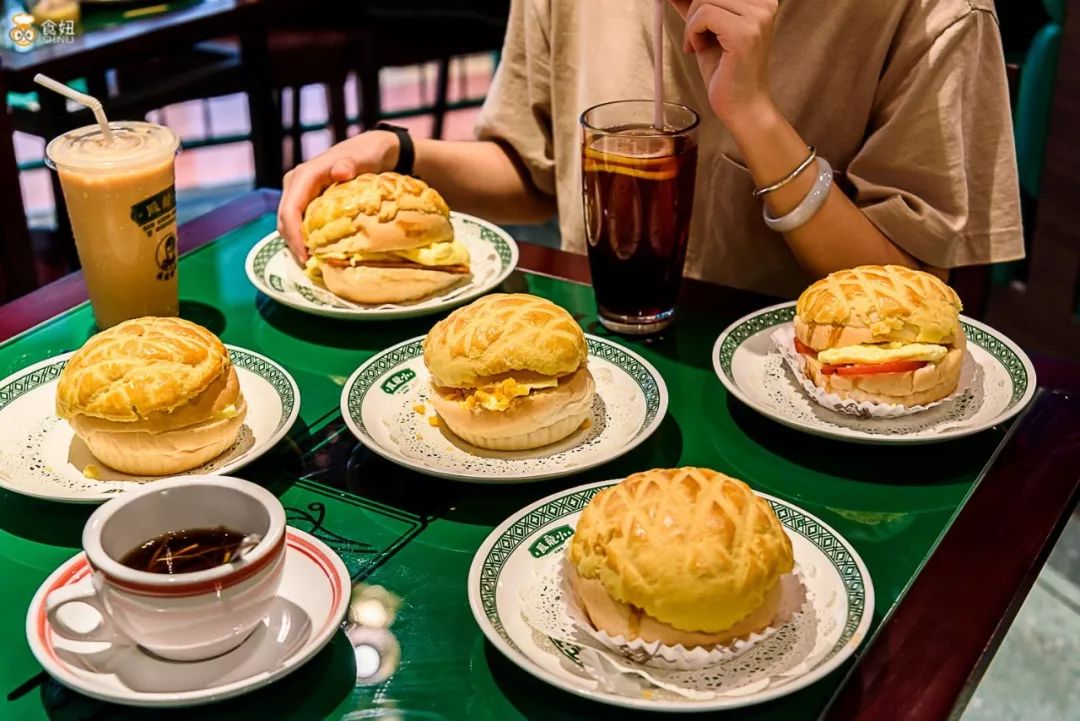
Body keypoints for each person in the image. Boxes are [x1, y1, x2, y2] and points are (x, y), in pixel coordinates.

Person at [277, 0, 1023, 297]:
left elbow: (913, 290)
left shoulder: (937, 13)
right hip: (600, 365)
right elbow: (536, 175)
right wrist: (394, 151)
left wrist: (756, 117)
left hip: (810, 405)